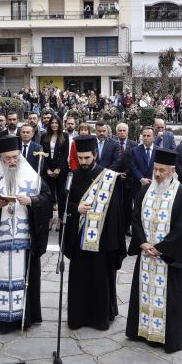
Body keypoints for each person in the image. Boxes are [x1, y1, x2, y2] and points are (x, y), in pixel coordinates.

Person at [0, 136, 53, 333]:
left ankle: (25, 317)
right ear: (1, 158)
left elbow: (47, 200)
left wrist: (32, 200)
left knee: (25, 279)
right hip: (1, 240)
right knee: (1, 278)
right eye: (7, 158)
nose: (12, 161)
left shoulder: (33, 178)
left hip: (25, 241)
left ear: (20, 155)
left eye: (15, 157)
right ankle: (2, 320)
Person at [125, 147, 182, 354]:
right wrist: (143, 243)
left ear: (172, 171)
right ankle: (142, 331)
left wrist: (161, 249)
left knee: (170, 299)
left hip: (168, 260)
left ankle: (169, 337)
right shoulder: (145, 190)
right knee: (144, 292)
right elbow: (136, 218)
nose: (157, 174)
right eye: (156, 169)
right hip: (147, 255)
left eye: (162, 171)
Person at [63, 135, 126, 330]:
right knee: (80, 280)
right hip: (79, 239)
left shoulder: (107, 177)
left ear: (95, 155)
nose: (82, 162)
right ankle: (78, 317)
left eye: (86, 158)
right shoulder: (72, 175)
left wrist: (112, 242)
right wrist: (76, 208)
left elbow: (116, 211)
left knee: (100, 280)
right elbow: (65, 202)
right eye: (80, 158)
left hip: (102, 240)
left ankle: (100, 318)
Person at [41, 114, 69, 226]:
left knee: (61, 195)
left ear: (59, 124)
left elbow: (65, 154)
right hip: (48, 169)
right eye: (52, 123)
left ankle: (60, 219)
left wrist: (58, 169)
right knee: (49, 195)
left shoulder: (65, 136)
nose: (54, 125)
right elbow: (43, 153)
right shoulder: (44, 136)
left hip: (61, 170)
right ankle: (50, 218)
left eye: (56, 123)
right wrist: (47, 169)